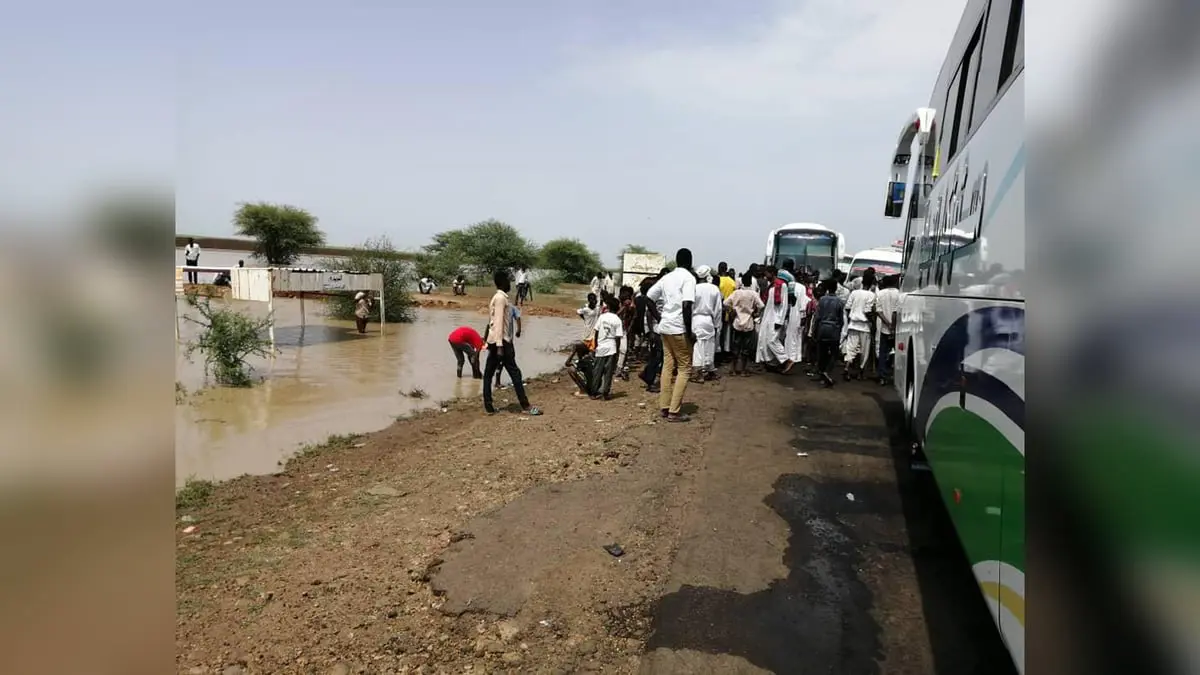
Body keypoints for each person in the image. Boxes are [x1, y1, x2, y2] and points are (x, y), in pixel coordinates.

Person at [647, 248, 696, 422]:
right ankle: (674, 411)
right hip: (678, 327)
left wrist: (660, 317)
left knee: (667, 366)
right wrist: (690, 332)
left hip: (665, 327)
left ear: (676, 261)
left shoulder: (667, 278)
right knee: (684, 368)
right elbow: (687, 306)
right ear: (689, 262)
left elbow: (648, 297)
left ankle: (665, 406)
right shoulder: (689, 278)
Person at [482, 270, 541, 415]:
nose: (511, 284)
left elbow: (493, 323)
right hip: (501, 342)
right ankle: (525, 406)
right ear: (503, 283)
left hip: (495, 341)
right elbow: (498, 323)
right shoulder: (501, 299)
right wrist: (501, 346)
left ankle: (488, 406)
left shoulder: (497, 298)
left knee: (488, 374)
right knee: (515, 373)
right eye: (508, 281)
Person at [725, 271, 764, 376]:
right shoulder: (753, 294)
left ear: (741, 282)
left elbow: (725, 303)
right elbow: (761, 305)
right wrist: (755, 313)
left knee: (735, 346)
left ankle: (733, 369)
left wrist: (731, 311)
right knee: (746, 348)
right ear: (751, 283)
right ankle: (743, 370)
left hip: (737, 322)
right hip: (748, 323)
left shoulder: (736, 293)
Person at [755, 265, 792, 372]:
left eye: (766, 273)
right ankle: (770, 362)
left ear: (772, 273)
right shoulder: (771, 286)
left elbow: (783, 304)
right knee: (763, 338)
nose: (765, 276)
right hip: (768, 316)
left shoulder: (782, 285)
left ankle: (786, 360)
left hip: (776, 318)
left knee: (772, 340)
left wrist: (779, 320)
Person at [690, 265, 722, 381]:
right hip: (709, 320)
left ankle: (698, 374)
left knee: (698, 345)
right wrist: (717, 325)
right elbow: (718, 309)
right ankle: (709, 370)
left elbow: (689, 307)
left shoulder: (694, 288)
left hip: (696, 319)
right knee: (710, 345)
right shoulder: (714, 289)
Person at [589, 296, 625, 400]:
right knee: (608, 372)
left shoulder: (602, 317)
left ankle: (594, 392)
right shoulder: (618, 320)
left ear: (608, 306)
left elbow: (596, 331)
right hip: (611, 347)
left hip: (601, 347)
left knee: (597, 371)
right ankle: (605, 393)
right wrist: (617, 351)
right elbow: (618, 338)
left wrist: (595, 345)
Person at [812, 278, 846, 387]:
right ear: (836, 289)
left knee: (822, 353)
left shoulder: (822, 300)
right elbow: (841, 319)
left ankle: (822, 374)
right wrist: (840, 329)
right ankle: (827, 371)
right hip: (834, 329)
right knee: (834, 353)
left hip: (822, 328)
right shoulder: (839, 302)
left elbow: (817, 317)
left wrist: (814, 330)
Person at [843, 279, 876, 380]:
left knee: (851, 348)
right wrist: (873, 323)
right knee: (864, 351)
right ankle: (861, 372)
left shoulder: (854, 293)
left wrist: (851, 317)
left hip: (853, 324)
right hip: (865, 326)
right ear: (871, 285)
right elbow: (867, 311)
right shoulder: (871, 295)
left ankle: (847, 368)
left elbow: (847, 307)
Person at [873, 274, 902, 385]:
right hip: (897, 329)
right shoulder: (899, 294)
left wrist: (887, 323)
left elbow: (878, 311)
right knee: (898, 353)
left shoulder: (880, 294)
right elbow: (896, 312)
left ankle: (882, 376)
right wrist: (893, 326)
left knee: (882, 352)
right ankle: (896, 375)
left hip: (885, 328)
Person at [638, 275, 664, 392]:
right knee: (658, 354)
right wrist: (651, 331)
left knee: (657, 354)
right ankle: (649, 380)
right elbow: (649, 314)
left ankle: (647, 374)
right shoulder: (655, 296)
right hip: (654, 328)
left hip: (656, 328)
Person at [489, 303, 522, 389]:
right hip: (506, 340)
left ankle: (497, 381)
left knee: (499, 361)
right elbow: (518, 317)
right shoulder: (511, 307)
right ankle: (516, 381)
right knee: (510, 360)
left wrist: (487, 340)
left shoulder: (495, 308)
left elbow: (490, 324)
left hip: (496, 339)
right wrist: (519, 330)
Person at [615, 286, 637, 379]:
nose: (628, 301)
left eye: (629, 299)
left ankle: (619, 368)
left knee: (623, 350)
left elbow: (634, 317)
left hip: (624, 331)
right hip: (615, 331)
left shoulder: (631, 308)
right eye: (626, 299)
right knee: (615, 350)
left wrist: (629, 329)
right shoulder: (618, 306)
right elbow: (616, 315)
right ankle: (615, 367)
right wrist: (624, 307)